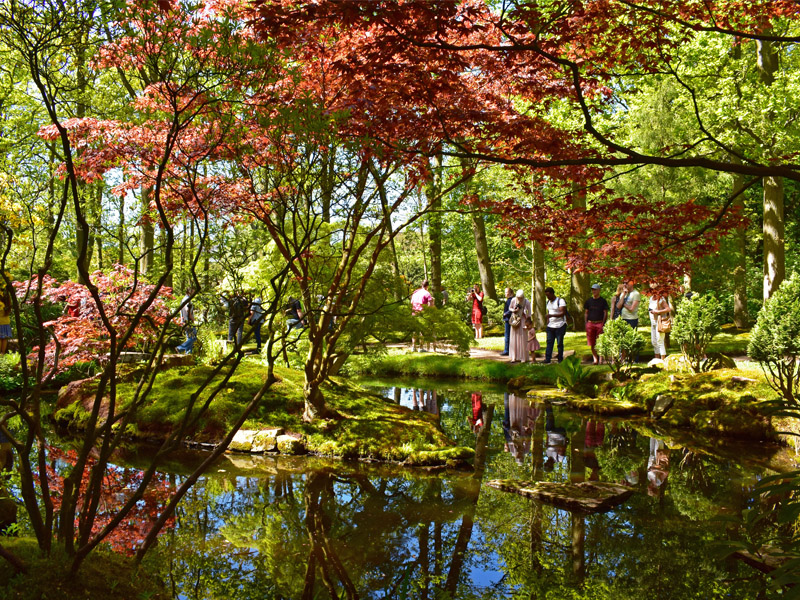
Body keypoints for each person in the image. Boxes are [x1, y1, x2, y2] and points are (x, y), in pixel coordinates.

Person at [584, 283, 609, 365]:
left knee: (600, 342)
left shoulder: (603, 301)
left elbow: (605, 312)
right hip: (590, 323)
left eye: (595, 289)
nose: (593, 291)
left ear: (599, 290)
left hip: (599, 323)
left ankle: (601, 359)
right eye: (592, 289)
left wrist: (603, 323)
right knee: (592, 342)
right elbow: (586, 313)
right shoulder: (588, 301)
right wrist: (586, 323)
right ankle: (595, 359)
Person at [648, 285, 672, 360]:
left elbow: (668, 309)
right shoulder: (651, 298)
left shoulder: (661, 299)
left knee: (660, 340)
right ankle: (657, 359)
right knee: (654, 341)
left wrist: (658, 311)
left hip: (659, 322)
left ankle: (663, 359)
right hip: (653, 322)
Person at [543, 287, 567, 364]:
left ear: (552, 294)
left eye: (548, 295)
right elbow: (548, 312)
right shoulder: (548, 302)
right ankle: (547, 358)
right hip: (550, 325)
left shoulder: (560, 301)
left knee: (559, 343)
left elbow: (562, 313)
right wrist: (548, 321)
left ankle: (560, 359)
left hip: (560, 325)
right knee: (549, 342)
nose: (547, 297)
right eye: (546, 295)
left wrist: (551, 315)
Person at [410, 280, 435, 351]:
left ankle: (413, 347)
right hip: (422, 313)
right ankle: (421, 348)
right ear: (427, 286)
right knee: (422, 331)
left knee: (415, 331)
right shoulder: (427, 293)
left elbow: (411, 302)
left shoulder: (415, 292)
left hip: (414, 312)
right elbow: (430, 305)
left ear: (421, 285)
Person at [508, 289, 531, 363]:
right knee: (514, 338)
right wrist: (513, 310)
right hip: (515, 320)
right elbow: (510, 308)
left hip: (523, 320)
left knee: (523, 339)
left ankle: (523, 357)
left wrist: (528, 320)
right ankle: (514, 357)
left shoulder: (526, 301)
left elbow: (529, 312)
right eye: (518, 297)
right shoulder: (513, 300)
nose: (519, 299)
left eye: (521, 298)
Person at [176, 287, 196, 354]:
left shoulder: (185, 299)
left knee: (189, 338)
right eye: (193, 290)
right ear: (189, 291)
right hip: (188, 321)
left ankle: (188, 354)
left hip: (184, 320)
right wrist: (192, 319)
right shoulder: (187, 299)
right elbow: (187, 310)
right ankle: (180, 347)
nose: (194, 292)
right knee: (193, 337)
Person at [500, 287, 514, 356]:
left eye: (506, 292)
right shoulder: (511, 300)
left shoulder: (510, 300)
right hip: (509, 319)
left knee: (507, 335)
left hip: (508, 319)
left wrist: (506, 313)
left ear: (510, 293)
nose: (505, 293)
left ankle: (506, 350)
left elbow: (511, 309)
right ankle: (509, 350)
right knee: (509, 335)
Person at [0, 287, 12, 355]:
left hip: (0, 323)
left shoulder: (1, 304)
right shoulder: (7, 304)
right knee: (4, 339)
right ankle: (3, 353)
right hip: (6, 322)